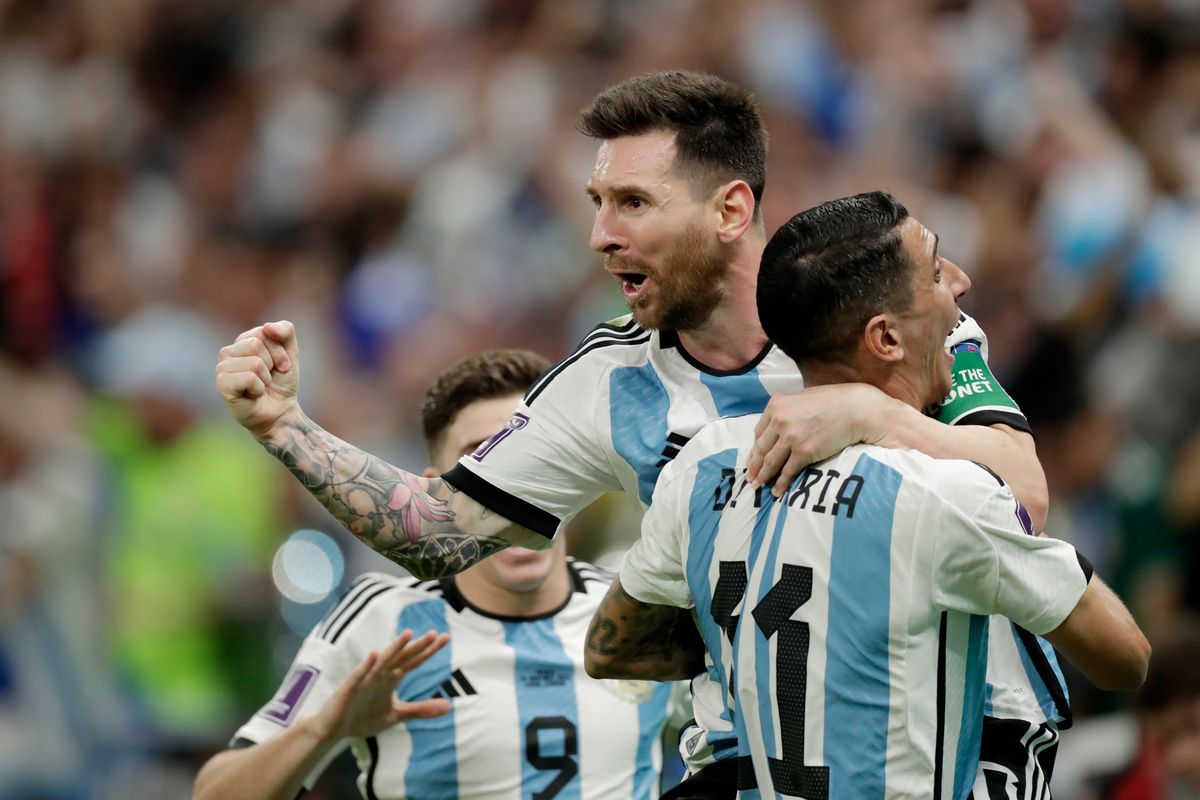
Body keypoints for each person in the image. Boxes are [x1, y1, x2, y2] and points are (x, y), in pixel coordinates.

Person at [215, 70, 1060, 796]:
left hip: (963, 735)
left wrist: (871, 415)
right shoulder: (607, 384)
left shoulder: (891, 307)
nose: (599, 235)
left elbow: (1020, 490)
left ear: (731, 209)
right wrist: (284, 424)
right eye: (597, 203)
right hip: (756, 756)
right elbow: (436, 533)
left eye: (632, 203)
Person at [587, 191, 1150, 798]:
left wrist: (758, 661)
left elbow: (611, 649)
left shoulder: (704, 463)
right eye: (936, 271)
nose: (959, 282)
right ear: (884, 338)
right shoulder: (945, 491)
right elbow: (1126, 658)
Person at [196, 349, 675, 800]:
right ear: (433, 492)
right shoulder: (382, 623)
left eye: (530, 463)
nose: (508, 493)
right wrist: (326, 729)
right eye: (480, 462)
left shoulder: (642, 609)